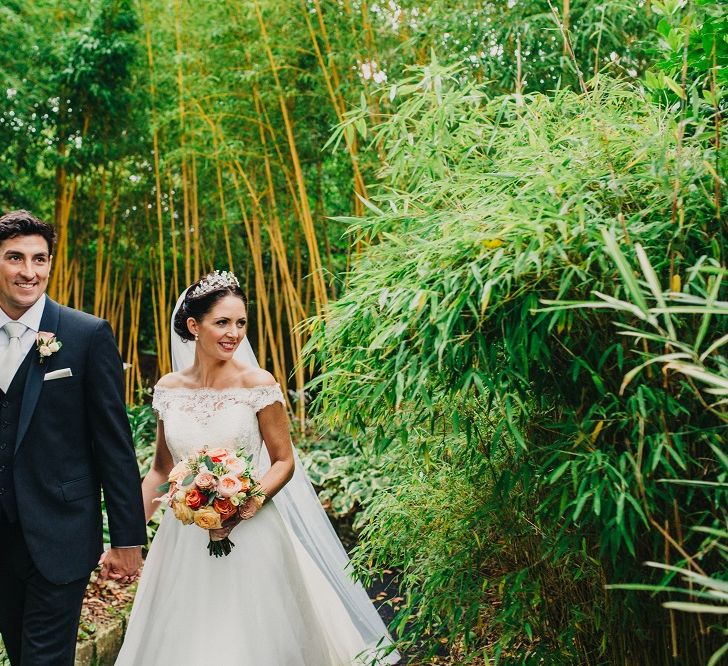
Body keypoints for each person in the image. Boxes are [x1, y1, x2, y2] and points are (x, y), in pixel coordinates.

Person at [115, 270, 400, 665]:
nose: (234, 333)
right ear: (194, 326)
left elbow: (284, 460)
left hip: (253, 532)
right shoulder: (169, 388)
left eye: (241, 323)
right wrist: (125, 536)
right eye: (222, 322)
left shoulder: (257, 384)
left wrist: (247, 501)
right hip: (184, 540)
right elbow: (162, 470)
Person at [0, 209, 147, 665]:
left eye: (40, 259)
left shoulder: (86, 335)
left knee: (44, 659)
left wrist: (127, 538)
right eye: (15, 258)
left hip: (60, 533)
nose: (29, 272)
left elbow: (113, 442)